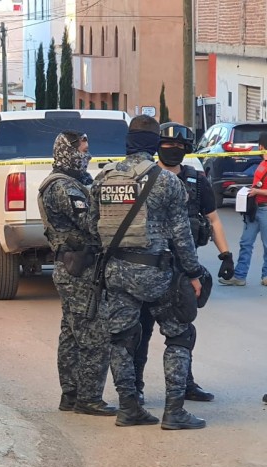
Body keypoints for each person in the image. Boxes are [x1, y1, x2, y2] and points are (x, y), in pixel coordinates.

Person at [89, 115, 206, 430]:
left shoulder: (102, 178)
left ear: (127, 143)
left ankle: (129, 407)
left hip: (115, 271)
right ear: (154, 143)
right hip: (154, 271)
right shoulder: (165, 180)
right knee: (180, 334)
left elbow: (91, 227)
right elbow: (181, 235)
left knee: (121, 339)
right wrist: (194, 273)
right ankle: (174, 411)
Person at [133, 122, 234, 405]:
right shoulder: (144, 178)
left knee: (182, 331)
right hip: (147, 267)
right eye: (167, 145)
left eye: (179, 146)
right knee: (140, 331)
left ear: (187, 149)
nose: (173, 150)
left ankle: (185, 384)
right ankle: (136, 389)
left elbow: (213, 220)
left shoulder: (196, 180)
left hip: (181, 270)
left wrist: (225, 254)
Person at [38, 131, 116, 416]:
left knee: (71, 332)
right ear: (69, 151)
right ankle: (89, 398)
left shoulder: (72, 182)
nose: (87, 154)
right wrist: (101, 190)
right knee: (95, 334)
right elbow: (91, 224)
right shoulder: (63, 187)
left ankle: (71, 395)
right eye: (83, 148)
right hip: (78, 268)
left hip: (73, 266)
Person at [219, 132, 267, 286]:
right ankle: (240, 276)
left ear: (261, 147)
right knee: (246, 242)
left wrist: (257, 191)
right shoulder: (261, 164)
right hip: (254, 210)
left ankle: (266, 276)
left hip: (265, 210)